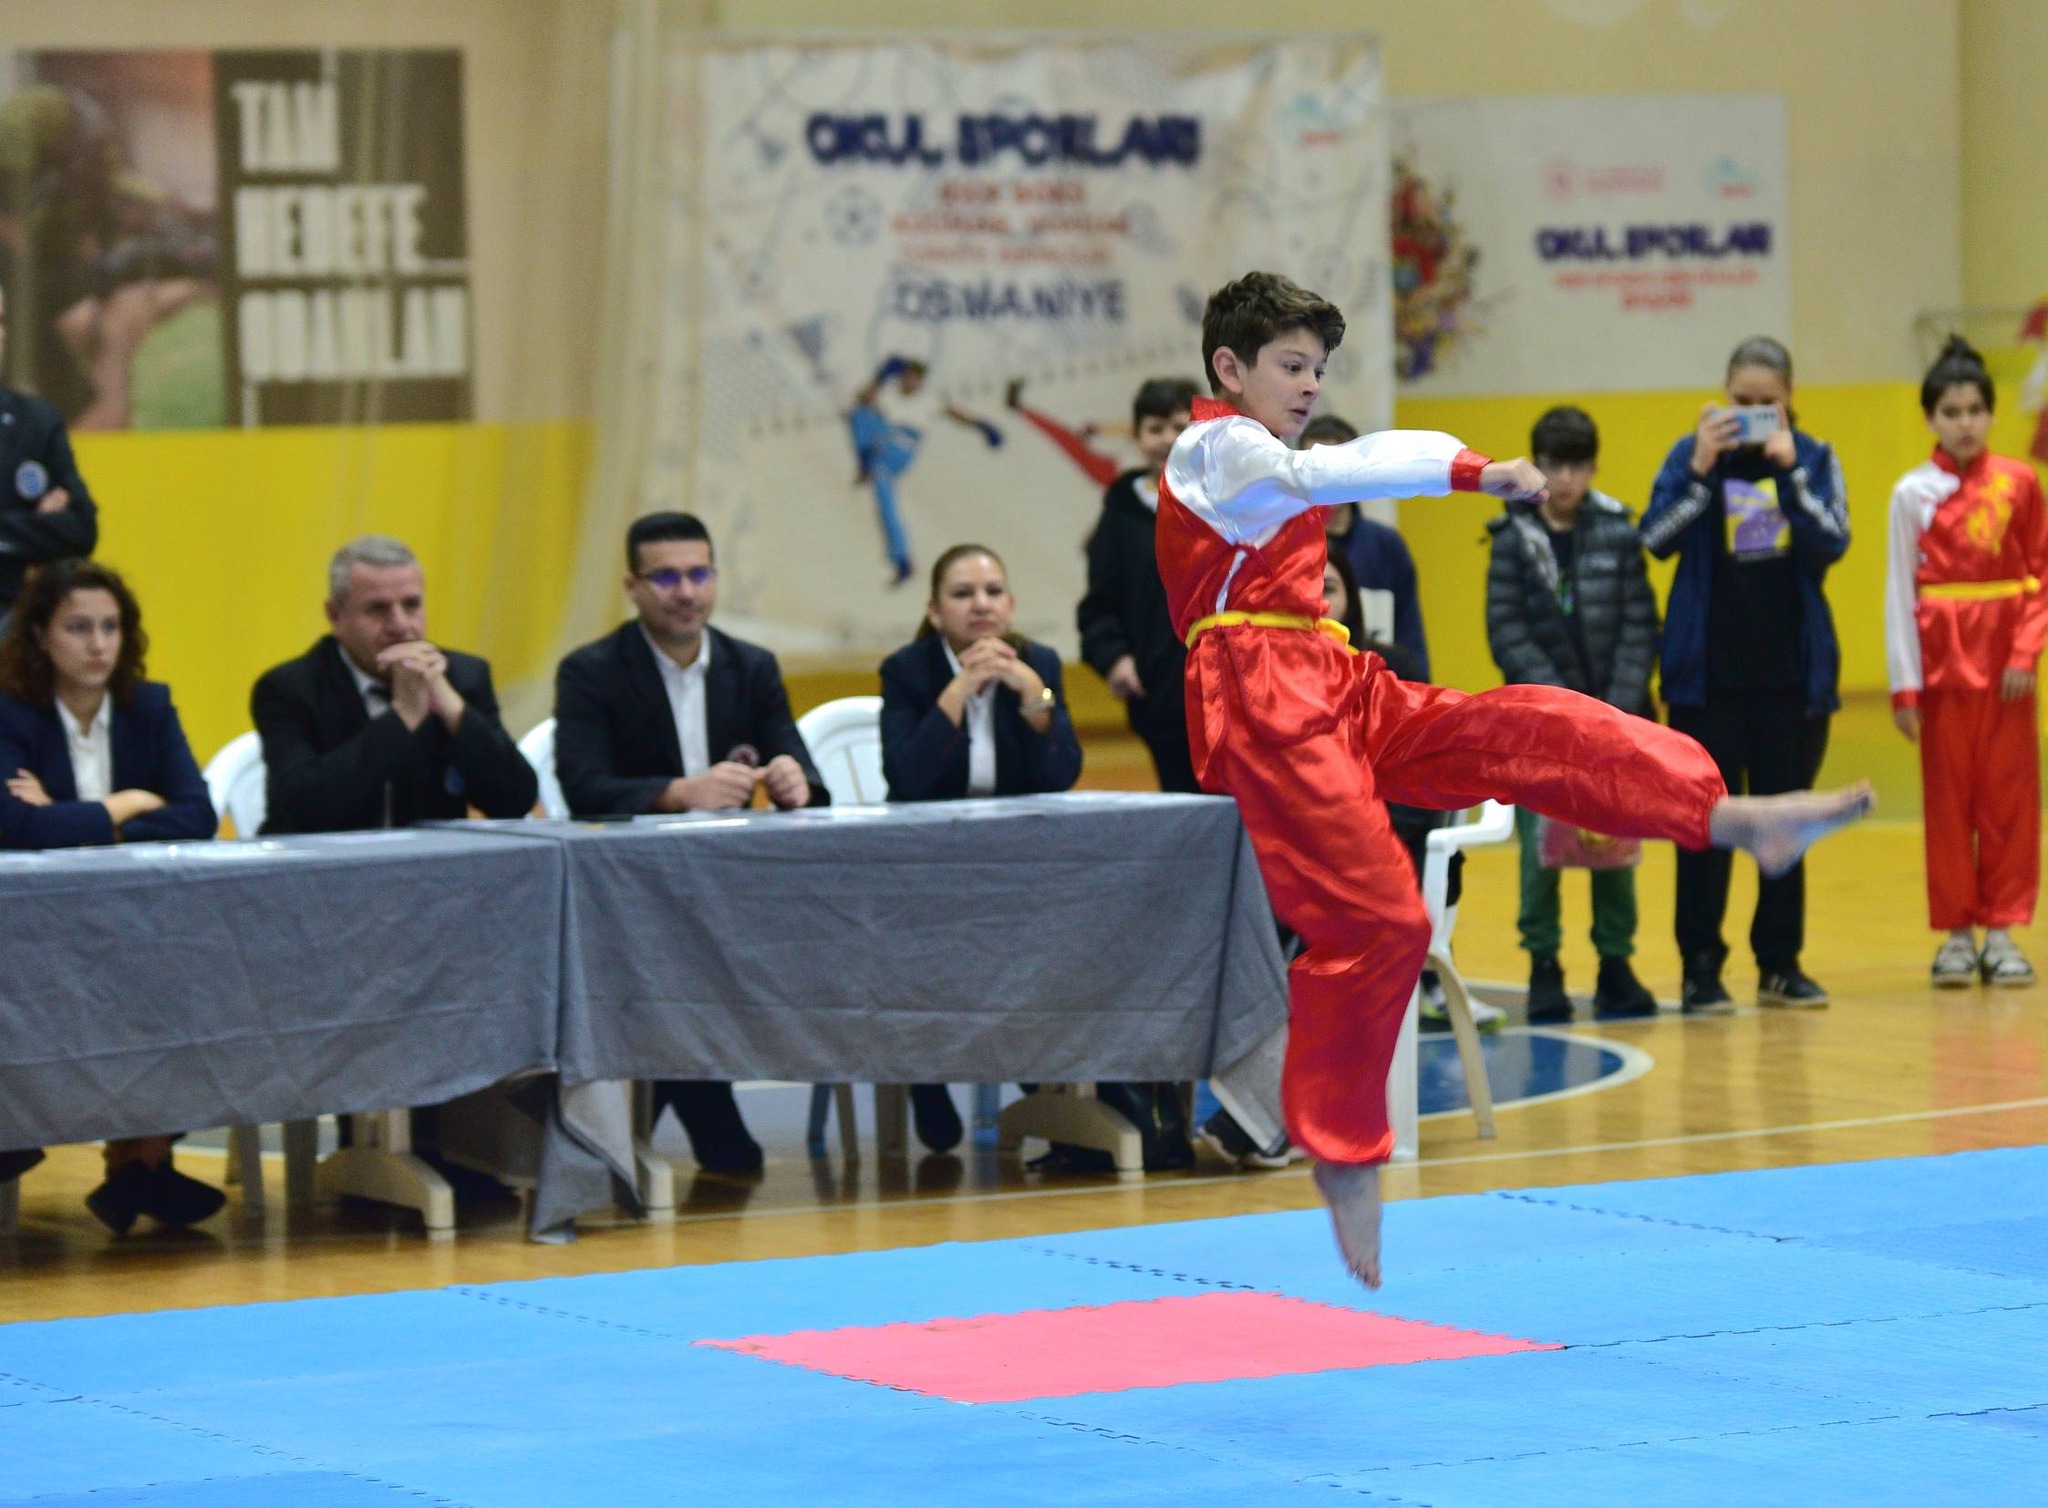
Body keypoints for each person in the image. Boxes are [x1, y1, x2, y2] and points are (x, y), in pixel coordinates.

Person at [1158, 270, 1871, 1288]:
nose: (1309, 382)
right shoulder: (1215, 444)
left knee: (1519, 725)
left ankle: (1719, 813)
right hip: (1258, 692)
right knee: (1382, 922)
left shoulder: (1272, 457)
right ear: (1228, 369)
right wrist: (1474, 471)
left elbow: (1334, 464)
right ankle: (1341, 1148)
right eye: (1289, 365)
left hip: (1328, 669)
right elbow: (1342, 469)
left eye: (1318, 366)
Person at [555, 511, 828, 1175]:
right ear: (633, 586)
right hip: (631, 891)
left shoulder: (751, 666)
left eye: (700, 573)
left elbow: (800, 767)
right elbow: (584, 785)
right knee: (667, 955)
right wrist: (677, 793)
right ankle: (710, 1117)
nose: (687, 591)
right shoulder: (591, 672)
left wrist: (798, 782)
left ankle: (663, 1119)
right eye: (668, 576)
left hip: (735, 886)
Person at [0, 558, 221, 1231]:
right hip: (30, 929)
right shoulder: (11, 714)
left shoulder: (147, 707)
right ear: (39, 636)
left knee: (186, 973)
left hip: (134, 921)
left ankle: (142, 1161)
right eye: (77, 627)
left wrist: (76, 818)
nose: (97, 644)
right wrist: (123, 802)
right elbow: (19, 827)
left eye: (110, 627)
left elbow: (197, 814)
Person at [883, 546, 1120, 1160]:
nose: (980, 604)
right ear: (935, 612)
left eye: (992, 591)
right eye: (963, 594)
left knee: (1062, 942)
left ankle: (1048, 1086)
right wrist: (960, 689)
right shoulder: (906, 669)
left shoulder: (1036, 662)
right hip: (926, 867)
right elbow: (907, 778)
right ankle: (925, 1075)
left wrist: (1034, 698)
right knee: (926, 952)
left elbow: (1062, 772)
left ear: (1010, 605)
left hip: (1018, 865)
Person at [1641, 337, 1849, 1013]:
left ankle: (1780, 964)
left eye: (1768, 404)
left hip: (1792, 685)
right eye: (1742, 402)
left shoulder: (1814, 458)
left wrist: (1788, 475)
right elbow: (1656, 537)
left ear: (1790, 399)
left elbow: (1832, 542)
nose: (1755, 414)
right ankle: (1701, 967)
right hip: (1707, 685)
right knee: (1703, 827)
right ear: (1722, 394)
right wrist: (1702, 470)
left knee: (1786, 827)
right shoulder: (1690, 454)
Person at [1486, 407, 1660, 1021]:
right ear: (1535, 467)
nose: (1565, 479)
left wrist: (1614, 706)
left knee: (1616, 847)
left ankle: (1616, 965)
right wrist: (1564, 706)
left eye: (1578, 467)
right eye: (1554, 466)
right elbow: (1506, 632)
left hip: (1616, 722)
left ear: (1594, 469)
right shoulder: (1510, 537)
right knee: (1542, 851)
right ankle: (1544, 969)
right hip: (1542, 726)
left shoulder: (1618, 530)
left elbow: (1641, 621)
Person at [1887, 337, 2048, 988]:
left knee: (2009, 802)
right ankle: (1956, 934)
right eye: (1950, 411)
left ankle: (2003, 931)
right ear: (1931, 418)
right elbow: (1900, 591)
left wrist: (2025, 651)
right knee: (1949, 804)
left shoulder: (2020, 482)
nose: (1964, 422)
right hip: (1942, 673)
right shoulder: (1912, 493)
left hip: (2007, 675)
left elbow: (2040, 571)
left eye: (1975, 409)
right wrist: (1904, 685)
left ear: (1991, 414)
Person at [253, 538, 538, 834]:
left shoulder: (464, 676)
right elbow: (302, 808)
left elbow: (515, 801)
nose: (400, 625)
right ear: (335, 616)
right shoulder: (288, 689)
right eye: (378, 609)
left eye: (411, 605)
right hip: (325, 870)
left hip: (431, 870)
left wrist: (452, 709)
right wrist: (403, 716)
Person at [1074, 376, 1201, 792]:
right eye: (1155, 429)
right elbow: (1099, 604)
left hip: (1228, 688)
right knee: (1184, 805)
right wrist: (1115, 658)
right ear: (1137, 435)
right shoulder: (1121, 511)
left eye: (1180, 428)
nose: (1168, 439)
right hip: (1159, 693)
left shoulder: (1226, 499)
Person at [848, 356, 1005, 587]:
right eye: (908, 377)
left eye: (916, 379)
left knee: (880, 471)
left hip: (901, 446)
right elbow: (862, 400)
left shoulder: (927, 400)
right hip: (883, 440)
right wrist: (881, 377)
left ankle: (867, 465)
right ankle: (901, 559)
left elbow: (955, 413)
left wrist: (983, 426)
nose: (911, 383)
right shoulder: (889, 393)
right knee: (885, 500)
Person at [0, 286, 99, 626]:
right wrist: (36, 531)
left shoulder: (35, 421)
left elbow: (81, 529)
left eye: (0, 321)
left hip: (15, 615)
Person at [1307, 415, 1431, 679]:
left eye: (1341, 466)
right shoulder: (1284, 548)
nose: (1329, 478)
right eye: (1317, 467)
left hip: (1377, 686)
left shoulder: (1387, 546)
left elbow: (1410, 634)